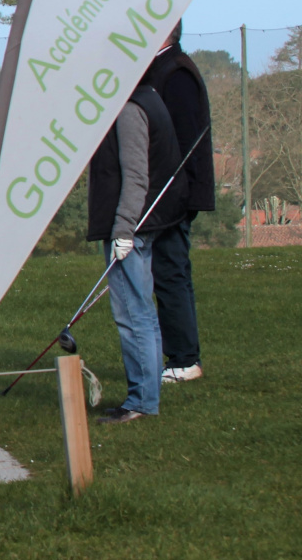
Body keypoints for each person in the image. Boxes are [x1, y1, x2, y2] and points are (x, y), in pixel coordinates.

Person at [86, 80, 188, 423]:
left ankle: (142, 401)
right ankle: (146, 397)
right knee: (142, 313)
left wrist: (124, 230)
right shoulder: (150, 96)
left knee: (133, 316)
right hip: (145, 224)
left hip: (133, 227)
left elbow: (137, 177)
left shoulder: (131, 107)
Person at [142, 21, 214, 383]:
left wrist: (175, 190)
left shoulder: (176, 71)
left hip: (173, 191)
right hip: (167, 189)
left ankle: (184, 359)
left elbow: (186, 138)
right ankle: (181, 356)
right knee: (168, 273)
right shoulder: (164, 68)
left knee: (171, 273)